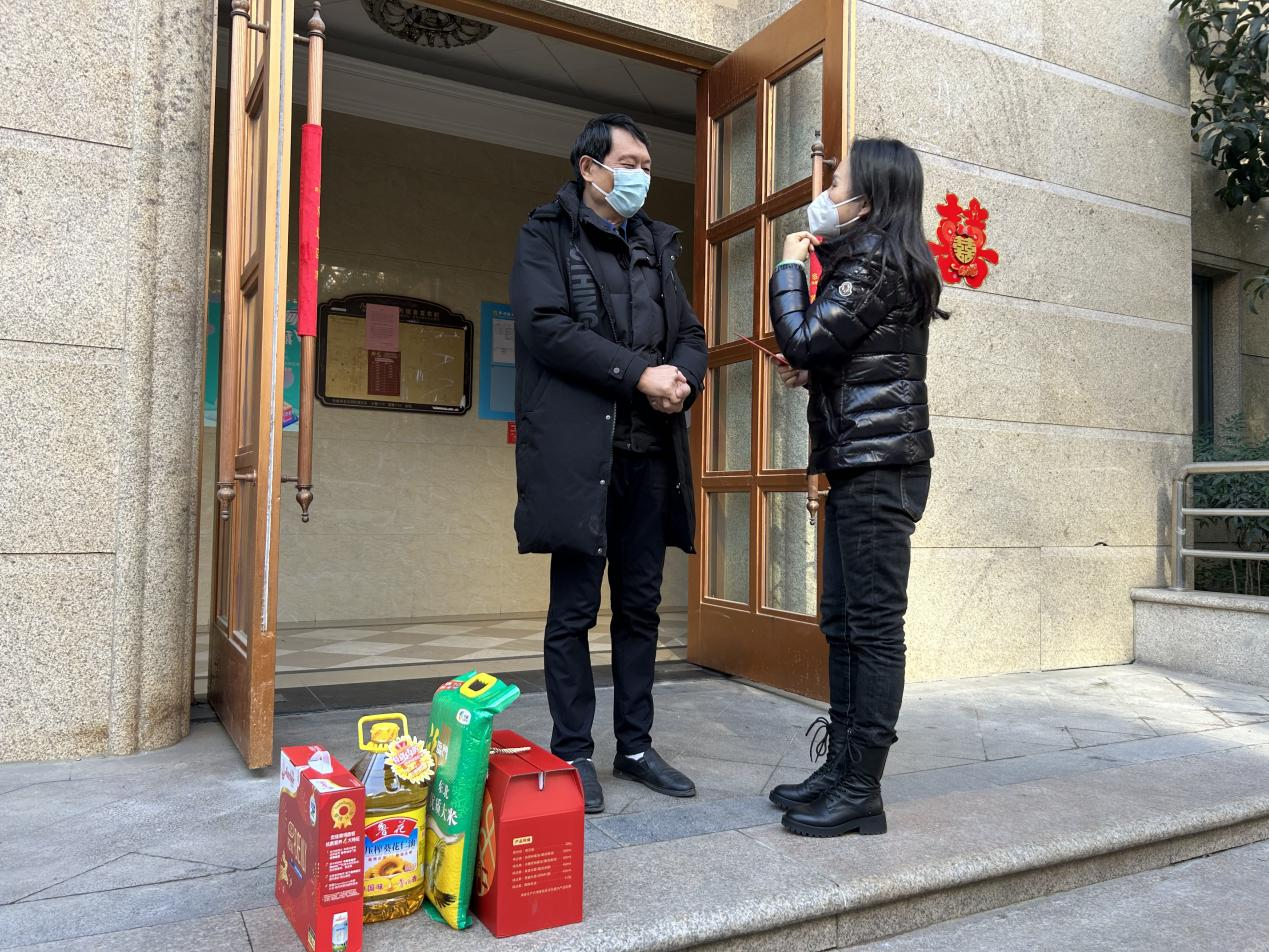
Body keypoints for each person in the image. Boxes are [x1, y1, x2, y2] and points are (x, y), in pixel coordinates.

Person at [509, 114, 708, 814]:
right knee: (573, 611)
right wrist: (637, 374)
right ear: (590, 168)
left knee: (640, 607)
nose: (641, 177)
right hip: (580, 457)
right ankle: (571, 750)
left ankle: (635, 746)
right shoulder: (546, 235)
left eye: (647, 166)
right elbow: (547, 329)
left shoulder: (656, 246)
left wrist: (682, 379)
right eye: (629, 163)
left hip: (650, 455)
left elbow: (690, 333)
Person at [767, 137, 946, 837]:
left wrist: (789, 266)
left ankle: (861, 789)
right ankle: (841, 769)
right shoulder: (872, 259)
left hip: (879, 467)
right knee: (843, 622)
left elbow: (803, 336)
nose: (826, 194)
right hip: (863, 463)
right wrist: (816, 372)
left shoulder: (873, 261)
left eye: (836, 182)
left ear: (867, 199)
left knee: (870, 628)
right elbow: (855, 354)